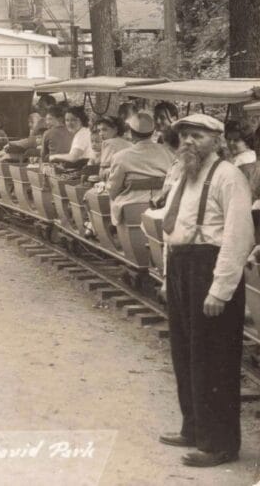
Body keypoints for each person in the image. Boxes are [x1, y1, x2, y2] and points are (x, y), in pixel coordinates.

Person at [156, 113, 253, 468]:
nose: (188, 142)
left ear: (217, 139)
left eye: (197, 136)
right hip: (182, 266)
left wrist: (221, 289)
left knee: (213, 359)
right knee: (184, 353)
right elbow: (173, 227)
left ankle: (220, 443)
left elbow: (238, 236)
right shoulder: (183, 172)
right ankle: (194, 428)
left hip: (210, 270)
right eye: (184, 136)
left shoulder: (229, 177)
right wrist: (169, 277)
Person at [106, 113, 174, 225]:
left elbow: (113, 190)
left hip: (131, 208)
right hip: (162, 207)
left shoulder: (120, 157)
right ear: (152, 132)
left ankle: (114, 229)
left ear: (131, 133)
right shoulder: (168, 152)